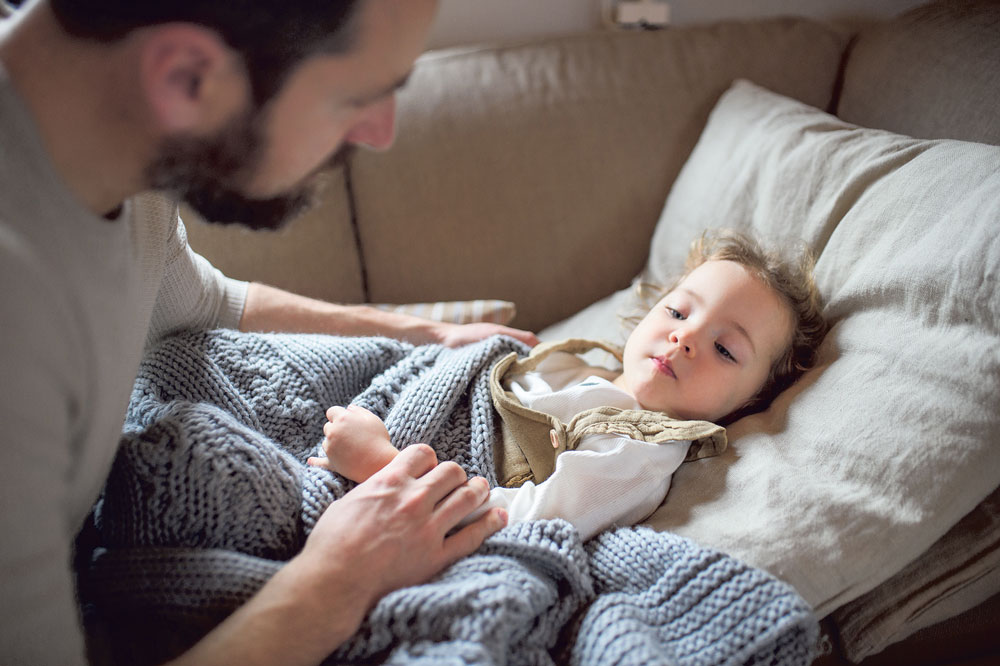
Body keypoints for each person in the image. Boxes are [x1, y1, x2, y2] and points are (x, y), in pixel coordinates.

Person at [0, 0, 540, 664]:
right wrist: (343, 576)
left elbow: (197, 298)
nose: (380, 133)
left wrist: (423, 331)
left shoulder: (105, 140)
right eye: (358, 97)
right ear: (188, 78)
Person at [309, 230, 828, 541]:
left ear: (749, 403)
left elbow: (524, 523)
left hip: (396, 478)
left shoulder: (641, 451)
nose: (685, 336)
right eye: (677, 309)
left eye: (725, 349)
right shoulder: (577, 364)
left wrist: (382, 464)